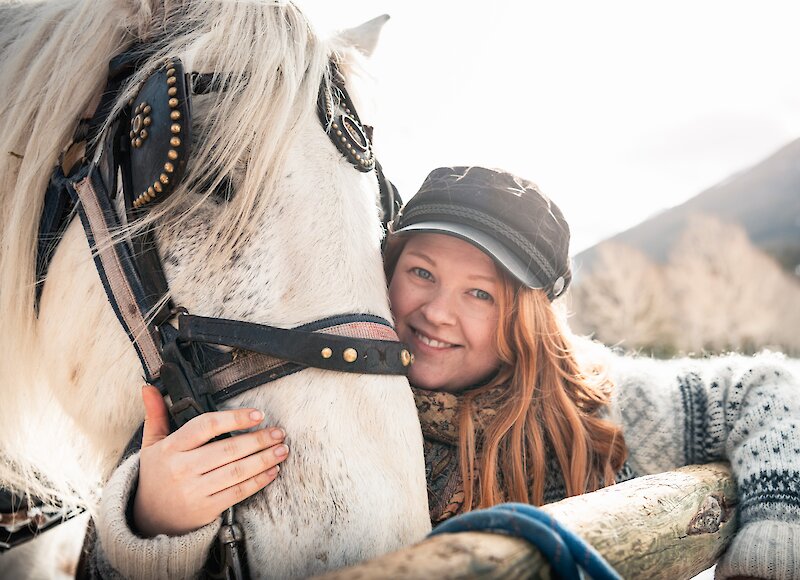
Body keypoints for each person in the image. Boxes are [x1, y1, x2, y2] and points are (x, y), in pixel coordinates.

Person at [92, 166, 800, 579]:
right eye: (421, 272)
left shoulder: (595, 405)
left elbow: (770, 390)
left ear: (525, 318)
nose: (436, 312)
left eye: (481, 294)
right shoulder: (295, 397)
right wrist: (151, 520)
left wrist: (772, 548)